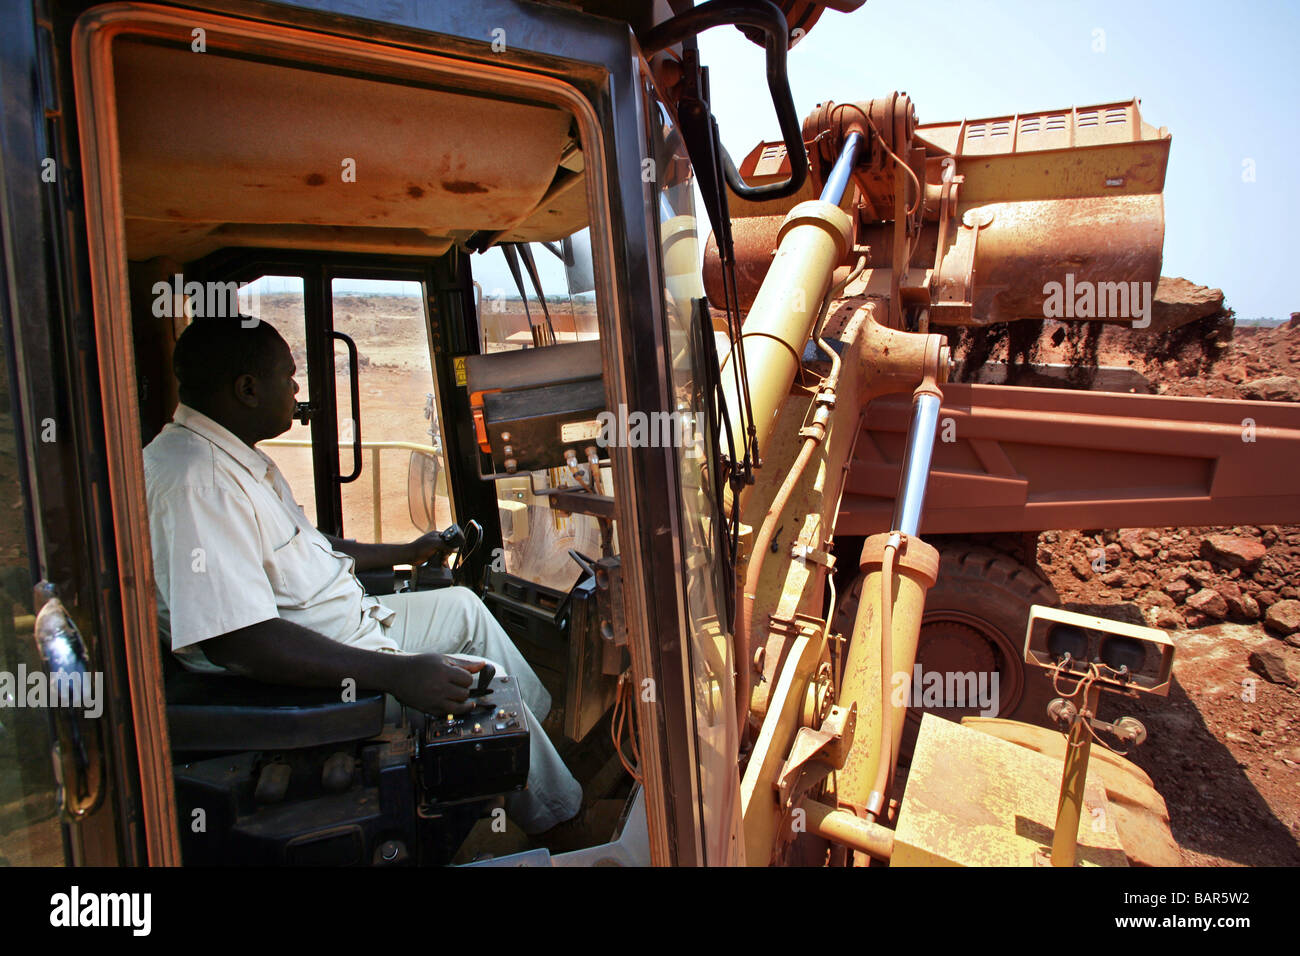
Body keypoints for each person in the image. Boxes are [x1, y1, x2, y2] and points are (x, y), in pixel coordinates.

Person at [142, 315, 582, 835]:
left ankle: (534, 744)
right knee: (485, 687)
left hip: (346, 622)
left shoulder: (234, 458)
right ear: (247, 389)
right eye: (289, 375)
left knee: (462, 606)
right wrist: (396, 674)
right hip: (317, 665)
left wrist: (406, 550)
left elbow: (311, 545)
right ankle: (563, 823)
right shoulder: (199, 483)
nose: (296, 387)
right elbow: (240, 641)